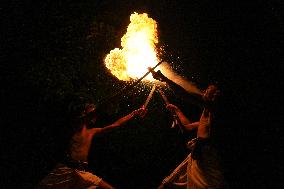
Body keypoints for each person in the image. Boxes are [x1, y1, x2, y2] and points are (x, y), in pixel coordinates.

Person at [37, 96, 146, 189]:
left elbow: (115, 125)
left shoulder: (92, 131)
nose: (95, 116)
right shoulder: (76, 125)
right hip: (65, 169)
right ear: (84, 113)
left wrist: (134, 113)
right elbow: (90, 115)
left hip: (82, 171)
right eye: (92, 112)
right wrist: (106, 104)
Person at [156, 84, 226, 189]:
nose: (204, 92)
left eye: (208, 90)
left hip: (206, 155)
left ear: (214, 96)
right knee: (169, 182)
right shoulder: (206, 112)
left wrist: (165, 79)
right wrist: (177, 110)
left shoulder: (214, 109)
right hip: (198, 152)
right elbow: (188, 127)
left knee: (210, 185)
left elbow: (185, 95)